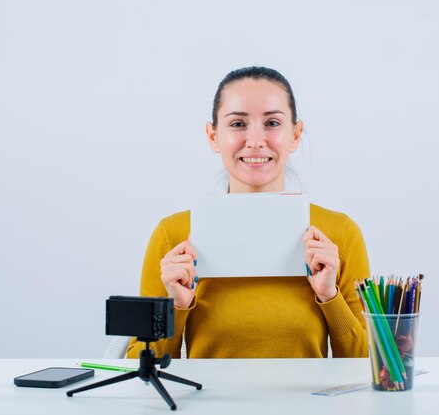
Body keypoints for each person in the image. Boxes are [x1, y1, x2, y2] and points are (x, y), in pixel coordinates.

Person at [126, 66, 369, 359]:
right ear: (213, 136)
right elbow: (139, 367)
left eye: (272, 123)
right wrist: (176, 306)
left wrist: (330, 297)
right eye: (238, 124)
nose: (255, 140)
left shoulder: (339, 234)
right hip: (208, 406)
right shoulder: (172, 235)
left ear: (295, 134)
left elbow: (370, 369)